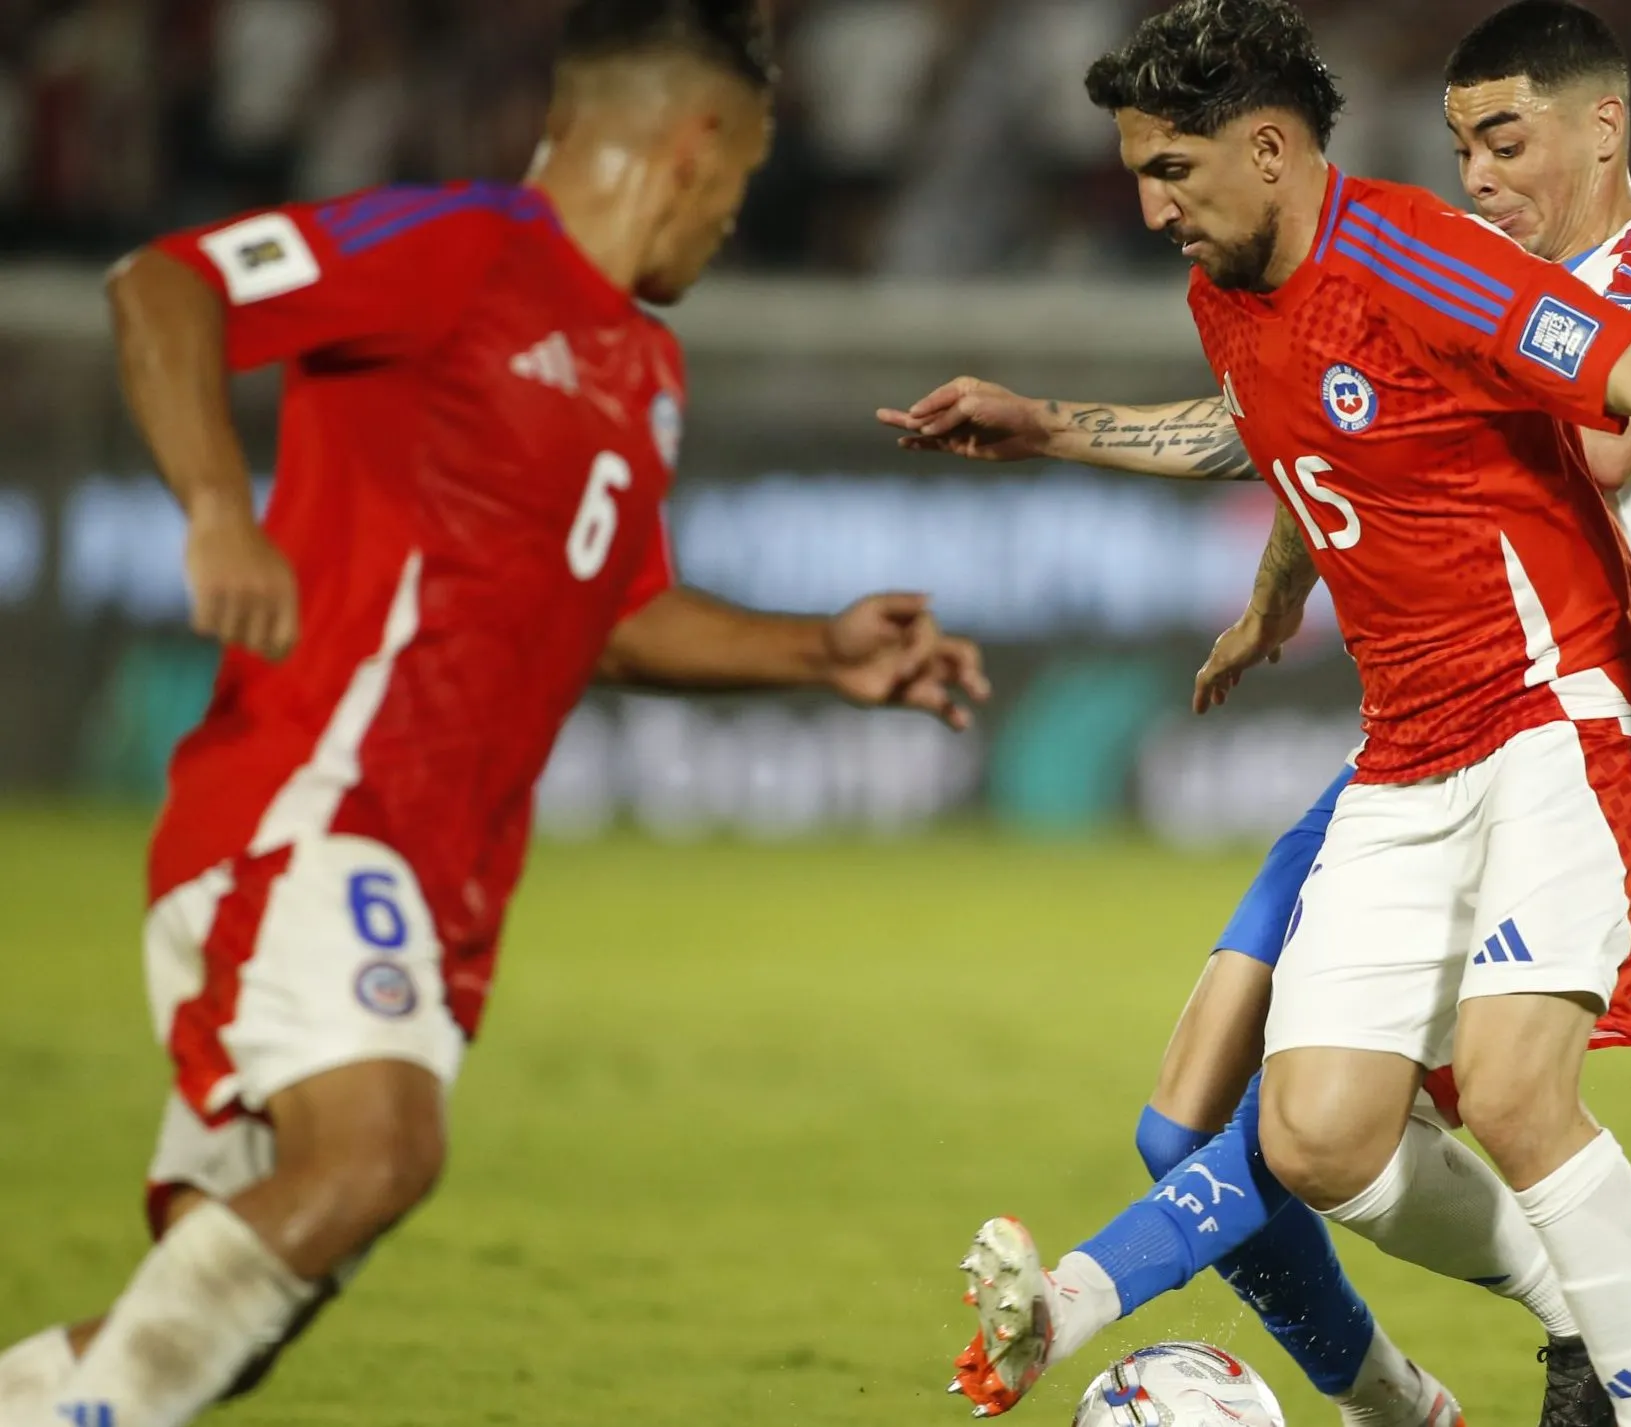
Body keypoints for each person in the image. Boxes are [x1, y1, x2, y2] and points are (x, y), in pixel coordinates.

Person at [886, 3, 1631, 1425]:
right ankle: (1540, 1329)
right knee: (1309, 1135)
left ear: (1267, 149)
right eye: (1463, 145)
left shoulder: (1487, 267)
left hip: (1564, 706)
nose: (1147, 208)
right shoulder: (1259, 286)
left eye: (1169, 173)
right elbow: (1309, 421)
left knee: (1505, 1090)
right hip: (1409, 743)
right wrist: (1095, 454)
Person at [0, 6, 988, 1426]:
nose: (728, 225)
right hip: (312, 811)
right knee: (378, 1154)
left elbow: (610, 614)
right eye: (739, 185)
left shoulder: (642, 371)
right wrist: (222, 508)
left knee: (240, 1307)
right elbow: (165, 286)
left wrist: (813, 654)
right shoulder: (460, 247)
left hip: (441, 880)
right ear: (692, 148)